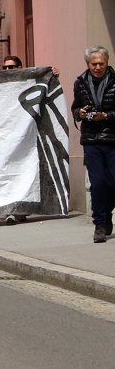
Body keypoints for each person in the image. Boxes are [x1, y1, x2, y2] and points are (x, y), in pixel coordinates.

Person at [72, 46, 115, 243]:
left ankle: (106, 215)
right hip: (91, 139)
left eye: (101, 63)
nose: (97, 67)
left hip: (112, 138)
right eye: (93, 64)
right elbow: (75, 108)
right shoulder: (80, 83)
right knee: (97, 183)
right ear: (87, 64)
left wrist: (106, 115)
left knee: (112, 183)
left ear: (107, 63)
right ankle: (99, 224)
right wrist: (80, 113)